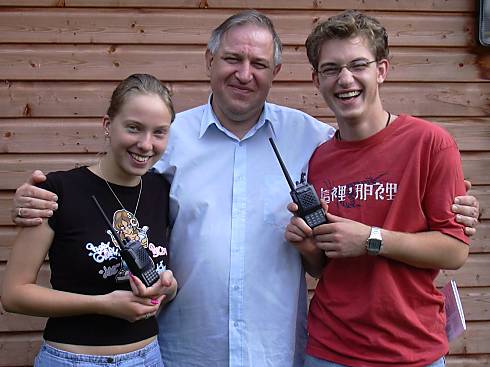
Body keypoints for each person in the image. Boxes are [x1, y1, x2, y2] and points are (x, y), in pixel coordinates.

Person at [10, 10, 479, 367]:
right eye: (232, 58)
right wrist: (44, 194)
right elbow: (114, 173)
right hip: (187, 347)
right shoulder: (171, 139)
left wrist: (459, 202)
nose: (244, 73)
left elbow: (380, 176)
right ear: (210, 61)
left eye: (258, 62)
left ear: (276, 71)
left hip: (278, 348)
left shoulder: (312, 139)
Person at [285, 10, 474, 367]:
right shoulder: (318, 160)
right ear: (316, 79)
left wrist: (371, 239)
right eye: (330, 69)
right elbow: (323, 268)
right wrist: (309, 248)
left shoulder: (430, 143)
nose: (345, 79)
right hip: (329, 350)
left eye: (358, 65)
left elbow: (454, 252)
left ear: (381, 71)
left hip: (413, 351)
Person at [2, 74, 178, 367]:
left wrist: (167, 287)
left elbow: (166, 280)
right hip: (71, 359)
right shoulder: (57, 191)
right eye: (134, 128)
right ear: (108, 126)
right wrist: (102, 304)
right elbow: (13, 294)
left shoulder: (162, 191)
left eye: (159, 132)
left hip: (148, 358)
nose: (146, 144)